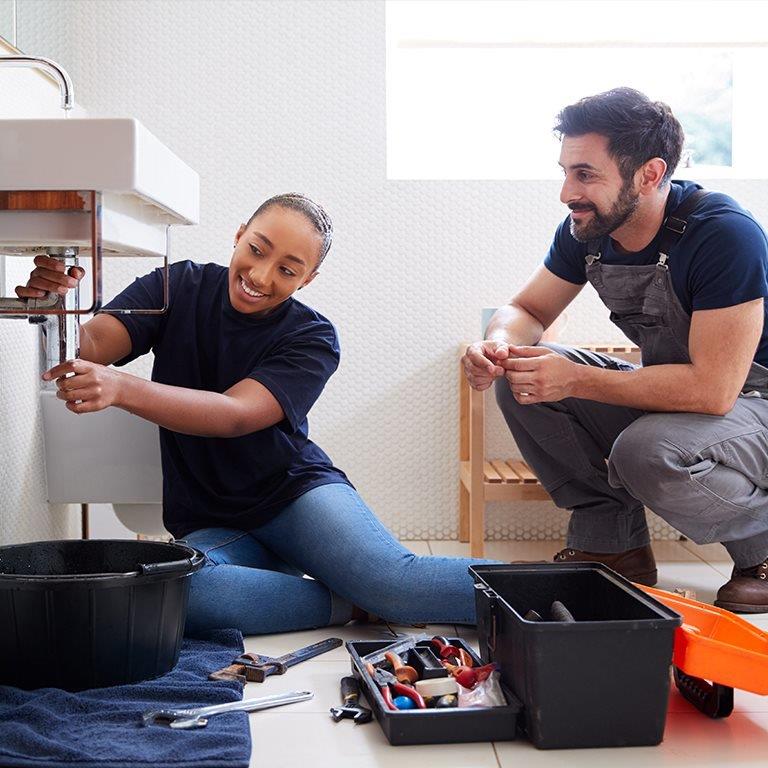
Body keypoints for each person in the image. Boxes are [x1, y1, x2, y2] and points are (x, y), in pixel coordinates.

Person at [19, 193, 499, 635]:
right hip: (209, 517)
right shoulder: (177, 286)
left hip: (294, 495)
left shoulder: (312, 337)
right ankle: (351, 603)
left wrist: (123, 387)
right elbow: (94, 344)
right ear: (239, 233)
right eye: (257, 249)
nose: (261, 276)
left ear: (308, 279)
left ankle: (561, 586)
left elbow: (234, 415)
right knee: (182, 590)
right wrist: (58, 305)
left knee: (396, 583)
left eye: (288, 270)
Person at [462, 87, 768, 613]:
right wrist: (499, 345)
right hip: (687, 396)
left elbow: (714, 391)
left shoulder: (724, 236)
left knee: (645, 449)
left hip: (752, 402)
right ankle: (616, 545)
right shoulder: (589, 227)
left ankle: (760, 551)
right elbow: (528, 311)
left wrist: (576, 379)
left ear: (649, 174)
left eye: (585, 174)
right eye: (565, 171)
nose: (566, 192)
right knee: (526, 381)